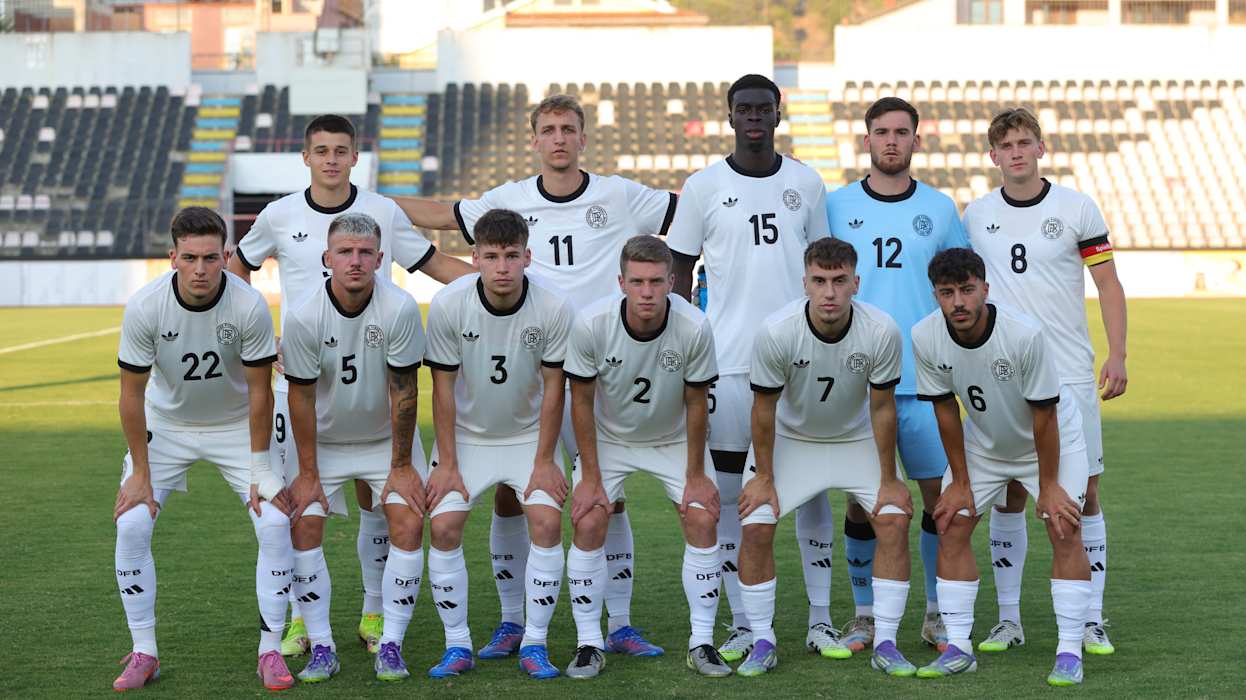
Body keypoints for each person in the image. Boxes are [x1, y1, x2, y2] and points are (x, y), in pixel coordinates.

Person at [390, 93, 677, 658]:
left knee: (606, 495)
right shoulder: (509, 199)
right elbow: (441, 215)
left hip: (599, 371)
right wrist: (364, 199)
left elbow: (690, 212)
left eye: (569, 128)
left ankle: (618, 624)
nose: (559, 138)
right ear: (535, 139)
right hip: (529, 370)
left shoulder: (620, 194)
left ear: (584, 137)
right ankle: (512, 622)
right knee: (508, 492)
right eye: (549, 129)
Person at [227, 114, 470, 655]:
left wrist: (501, 281)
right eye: (322, 150)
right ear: (306, 158)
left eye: (341, 150)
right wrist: (258, 336)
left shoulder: (382, 211)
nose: (331, 159)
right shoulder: (278, 214)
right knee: (296, 508)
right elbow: (237, 269)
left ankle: (374, 613)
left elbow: (431, 263)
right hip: (303, 388)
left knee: (379, 504)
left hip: (375, 388)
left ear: (355, 157)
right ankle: (299, 620)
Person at [667, 73, 832, 661]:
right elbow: (679, 268)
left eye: (764, 108)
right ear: (731, 116)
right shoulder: (703, 186)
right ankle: (742, 622)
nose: (755, 117)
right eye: (745, 109)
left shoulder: (806, 183)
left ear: (778, 114)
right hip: (730, 362)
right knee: (733, 491)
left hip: (800, 359)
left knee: (812, 490)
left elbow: (823, 262)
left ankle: (821, 621)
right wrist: (684, 337)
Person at [963, 107, 1127, 655]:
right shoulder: (976, 215)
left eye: (1024, 142)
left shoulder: (1076, 207)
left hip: (1069, 371)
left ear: (1041, 148)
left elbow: (1108, 284)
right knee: (1010, 492)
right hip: (1002, 374)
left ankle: (1091, 619)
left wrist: (1118, 353)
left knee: (1086, 492)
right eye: (1006, 145)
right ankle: (1008, 620)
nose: (1016, 152)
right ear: (993, 156)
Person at [111, 207, 293, 691]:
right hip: (167, 426)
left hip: (237, 425)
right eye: (189, 258)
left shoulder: (248, 304)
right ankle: (144, 651)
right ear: (172, 257)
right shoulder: (145, 306)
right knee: (131, 524)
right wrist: (141, 473)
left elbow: (261, 391)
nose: (200, 269)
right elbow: (131, 395)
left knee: (276, 523)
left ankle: (271, 649)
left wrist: (260, 467)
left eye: (211, 258)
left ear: (226, 256)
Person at [824, 96, 969, 652]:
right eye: (881, 132)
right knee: (863, 502)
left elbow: (961, 286)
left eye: (901, 132)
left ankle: (935, 612)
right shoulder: (836, 205)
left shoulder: (940, 208)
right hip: (860, 385)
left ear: (916, 139)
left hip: (927, 383)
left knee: (940, 500)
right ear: (866, 140)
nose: (891, 140)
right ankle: (865, 615)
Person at [733, 238, 914, 677]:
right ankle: (762, 641)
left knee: (893, 519)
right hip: (792, 439)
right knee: (755, 524)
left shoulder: (881, 330)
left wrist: (890, 479)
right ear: (805, 283)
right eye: (819, 281)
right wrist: (764, 476)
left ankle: (886, 642)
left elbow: (883, 407)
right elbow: (763, 410)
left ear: (856, 283)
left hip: (855, 439)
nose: (829, 292)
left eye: (838, 280)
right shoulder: (777, 331)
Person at [911, 248, 1091, 687]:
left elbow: (1044, 416)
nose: (958, 302)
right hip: (985, 445)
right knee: (951, 521)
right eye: (947, 292)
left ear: (985, 290)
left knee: (1063, 525)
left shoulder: (1024, 335)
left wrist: (1049, 486)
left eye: (967, 290)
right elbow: (945, 410)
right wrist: (961, 482)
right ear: (935, 295)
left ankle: (1069, 652)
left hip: (1052, 440)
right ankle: (959, 649)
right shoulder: (924, 335)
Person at [563, 236, 727, 679]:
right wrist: (591, 477)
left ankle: (702, 642)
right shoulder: (592, 324)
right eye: (637, 282)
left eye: (656, 281)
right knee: (589, 518)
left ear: (672, 282)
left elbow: (697, 402)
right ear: (621, 283)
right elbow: (581, 402)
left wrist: (696, 474)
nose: (647, 292)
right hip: (610, 438)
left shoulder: (694, 326)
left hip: (673, 438)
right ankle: (588, 643)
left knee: (702, 517)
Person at [420, 209, 575, 680]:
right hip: (467, 438)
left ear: (528, 256)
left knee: (547, 521)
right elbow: (442, 390)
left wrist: (545, 460)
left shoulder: (553, 307)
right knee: (444, 528)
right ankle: (457, 644)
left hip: (528, 436)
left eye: (511, 255)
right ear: (475, 258)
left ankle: (534, 642)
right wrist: (448, 464)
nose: (502, 267)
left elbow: (555, 389)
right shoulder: (449, 304)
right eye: (491, 256)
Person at [280, 213, 428, 684]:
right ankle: (322, 646)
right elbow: (300, 398)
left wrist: (401, 466)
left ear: (381, 260)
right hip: (323, 443)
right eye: (345, 251)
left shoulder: (400, 308)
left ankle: (391, 644)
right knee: (303, 525)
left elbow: (405, 391)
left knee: (409, 521)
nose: (356, 261)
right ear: (327, 258)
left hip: (385, 439)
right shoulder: (304, 314)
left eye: (365, 252)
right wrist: (307, 473)